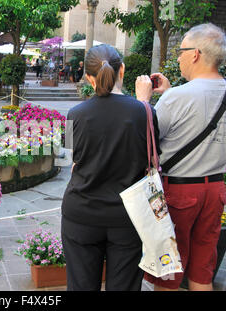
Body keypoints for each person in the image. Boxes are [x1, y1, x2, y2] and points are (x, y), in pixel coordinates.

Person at [135, 23, 226, 291]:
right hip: (215, 189)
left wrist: (143, 102)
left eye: (181, 51)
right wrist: (173, 91)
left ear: (195, 53)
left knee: (169, 270)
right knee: (202, 267)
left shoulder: (177, 97)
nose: (178, 57)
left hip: (180, 191)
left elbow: (147, 138)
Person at [61, 44, 160, 291]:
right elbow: (150, 154)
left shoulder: (74, 114)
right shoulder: (144, 112)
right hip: (128, 215)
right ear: (122, 70)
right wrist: (144, 103)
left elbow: (71, 159)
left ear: (88, 76)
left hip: (81, 212)